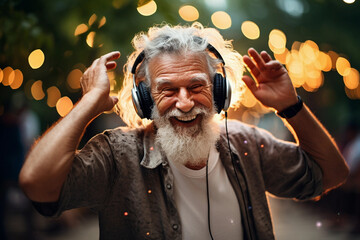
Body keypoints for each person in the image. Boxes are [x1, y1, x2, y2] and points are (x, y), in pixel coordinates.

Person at [19, 23, 349, 240]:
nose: (185, 102)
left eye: (196, 86)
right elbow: (37, 184)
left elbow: (331, 174)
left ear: (220, 90)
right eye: (167, 90)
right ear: (144, 98)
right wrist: (88, 103)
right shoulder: (117, 154)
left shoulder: (247, 143)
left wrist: (291, 106)